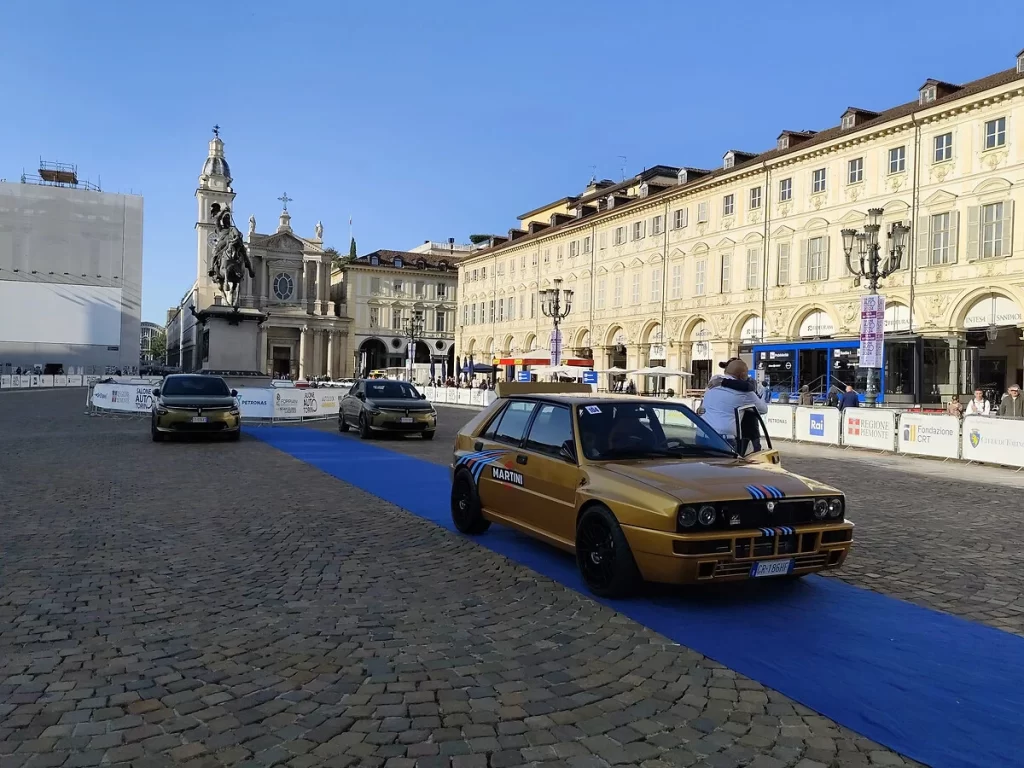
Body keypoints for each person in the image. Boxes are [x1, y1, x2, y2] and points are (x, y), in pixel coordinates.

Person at [699, 358, 768, 451]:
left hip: (702, 433)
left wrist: (723, 382)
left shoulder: (715, 379)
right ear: (743, 374)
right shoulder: (746, 393)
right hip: (724, 437)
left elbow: (749, 385)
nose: (725, 370)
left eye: (727, 367)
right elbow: (763, 409)